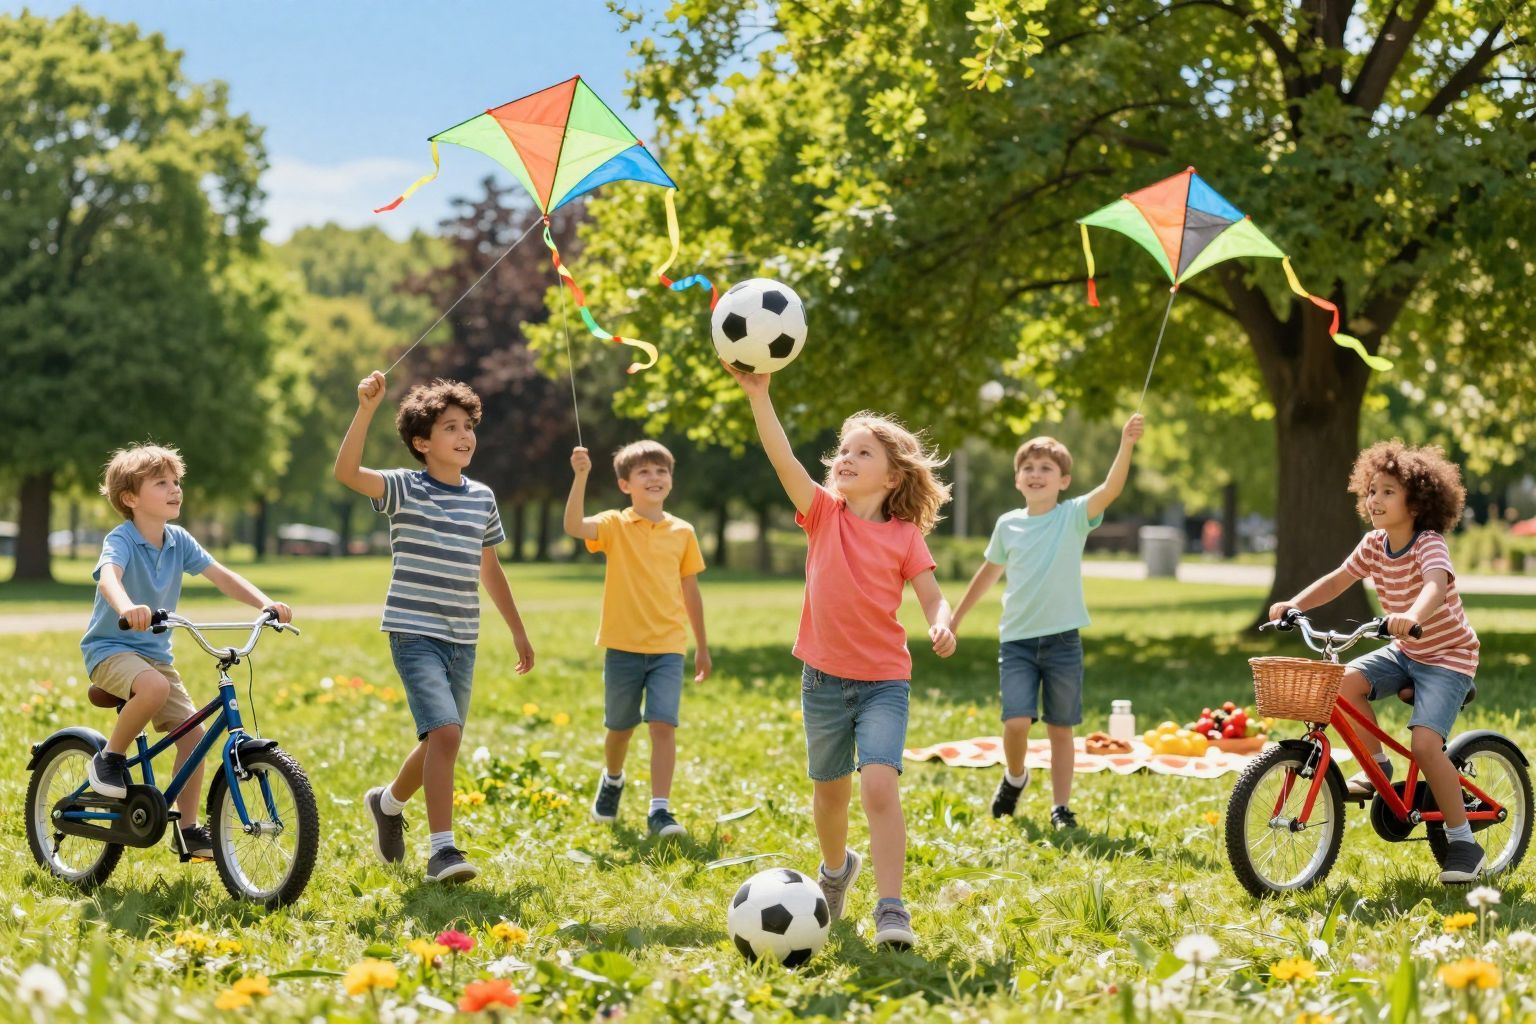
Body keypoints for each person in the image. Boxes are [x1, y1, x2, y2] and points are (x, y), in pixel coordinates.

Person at [729, 366, 955, 949]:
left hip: (884, 682)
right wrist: (760, 396)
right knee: (829, 795)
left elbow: (931, 593)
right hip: (823, 681)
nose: (845, 458)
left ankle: (891, 908)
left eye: (862, 452)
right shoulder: (823, 514)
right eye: (842, 451)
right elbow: (784, 462)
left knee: (879, 785)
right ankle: (836, 871)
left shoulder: (905, 535)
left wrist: (940, 620)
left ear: (893, 474)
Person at [337, 371, 535, 884]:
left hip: (462, 637)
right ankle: (443, 851)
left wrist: (517, 629)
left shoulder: (482, 497)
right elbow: (346, 471)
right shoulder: (404, 488)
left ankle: (388, 802)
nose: (465, 435)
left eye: (468, 425)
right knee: (445, 733)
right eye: (450, 427)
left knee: (438, 741)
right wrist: (365, 409)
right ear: (423, 443)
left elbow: (489, 568)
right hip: (413, 631)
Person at [1268, 440, 1483, 883]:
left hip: (1447, 656)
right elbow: (1337, 581)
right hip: (1407, 650)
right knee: (1344, 683)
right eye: (1372, 491)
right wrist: (1295, 603)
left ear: (1417, 500)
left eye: (1389, 491)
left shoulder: (1429, 544)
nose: (1376, 500)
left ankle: (1463, 840)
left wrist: (1412, 616)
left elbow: (1435, 587)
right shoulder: (1373, 545)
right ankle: (1379, 769)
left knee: (1426, 747)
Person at [81, 443, 293, 860]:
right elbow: (109, 576)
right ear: (131, 499)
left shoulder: (178, 540)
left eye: (176, 482)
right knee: (154, 688)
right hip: (111, 649)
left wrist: (264, 604)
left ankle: (191, 829)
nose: (175, 489)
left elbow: (221, 575)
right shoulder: (121, 539)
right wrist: (127, 608)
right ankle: (109, 758)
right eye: (161, 483)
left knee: (194, 738)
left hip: (155, 657)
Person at [950, 414, 1145, 827]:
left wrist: (1126, 443)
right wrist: (955, 619)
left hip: (1062, 643)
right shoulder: (1008, 524)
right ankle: (1015, 776)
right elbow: (987, 574)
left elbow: (1111, 489)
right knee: (1016, 721)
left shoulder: (1073, 515)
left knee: (1061, 729)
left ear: (1064, 480)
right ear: (1017, 479)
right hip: (1017, 642)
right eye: (1028, 468)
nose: (1036, 474)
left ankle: (1060, 808)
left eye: (1046, 468)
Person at [564, 440, 710, 838]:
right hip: (623, 646)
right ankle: (612, 779)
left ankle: (660, 810)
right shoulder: (614, 524)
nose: (654, 477)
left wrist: (701, 645)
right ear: (625, 484)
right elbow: (574, 527)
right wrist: (580, 478)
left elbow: (691, 591)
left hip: (667, 646)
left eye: (661, 470)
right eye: (644, 471)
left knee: (663, 725)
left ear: (671, 480)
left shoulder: (683, 532)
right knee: (620, 727)